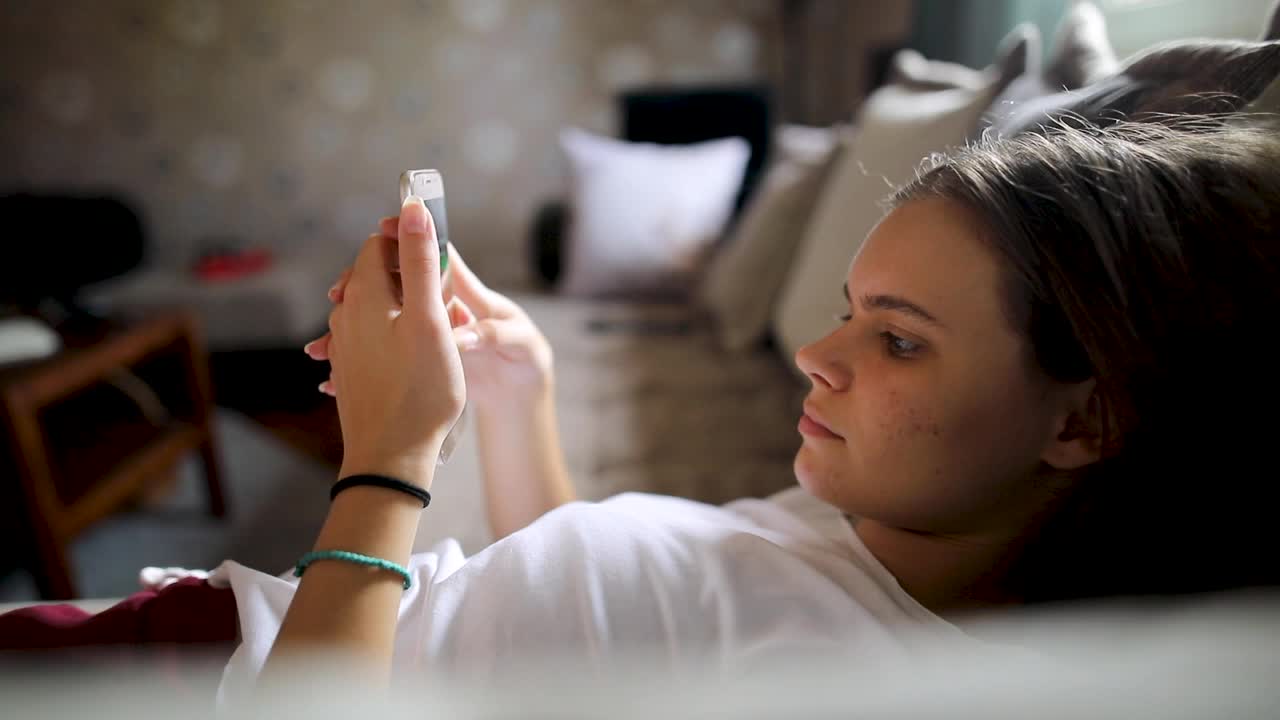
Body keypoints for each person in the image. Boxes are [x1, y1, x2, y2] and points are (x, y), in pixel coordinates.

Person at [219, 119, 1279, 697]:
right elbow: (578, 623)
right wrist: (518, 392)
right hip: (247, 628)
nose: (816, 357)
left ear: (1079, 422)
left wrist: (388, 459)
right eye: (846, 313)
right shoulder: (884, 521)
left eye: (897, 339)